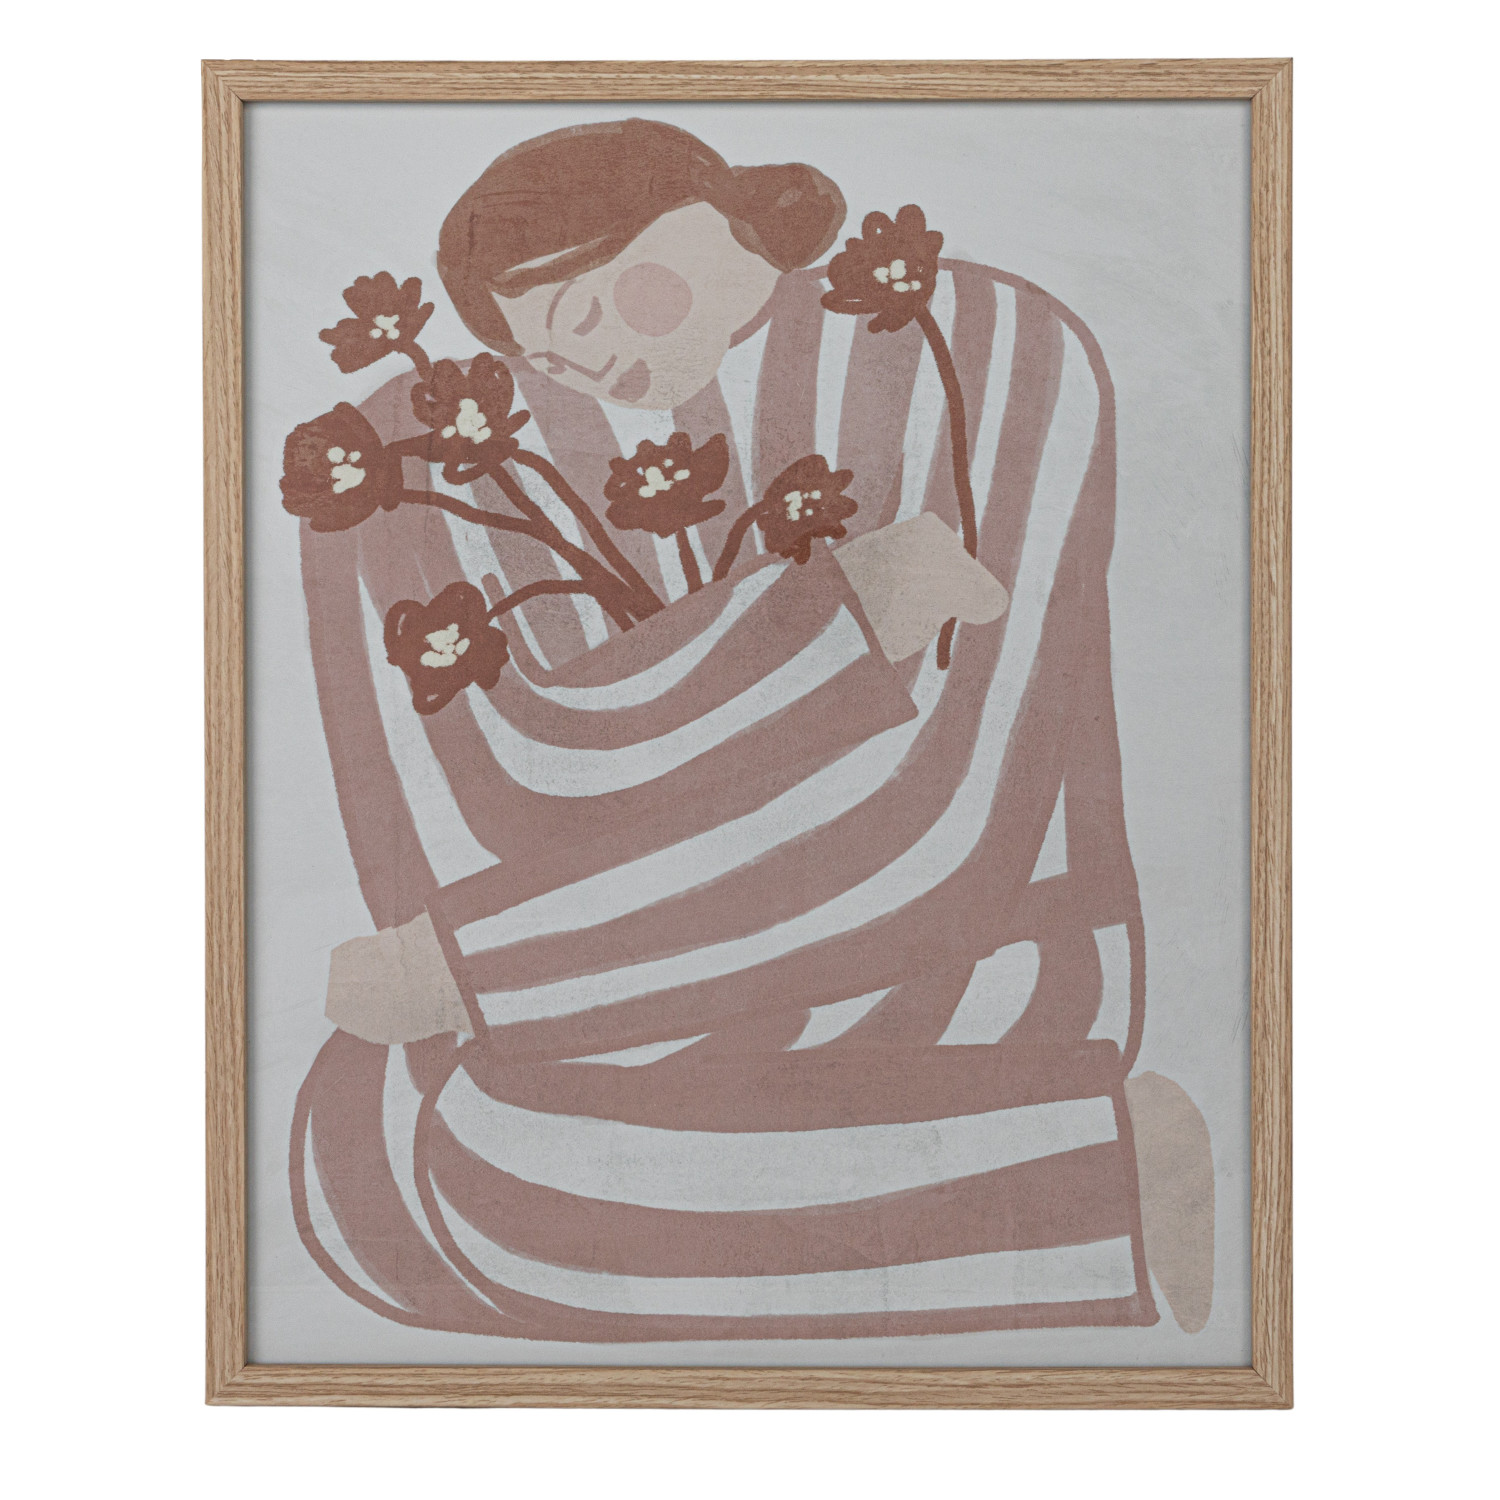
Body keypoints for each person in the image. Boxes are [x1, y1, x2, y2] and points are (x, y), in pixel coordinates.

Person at [290, 118, 1214, 1343]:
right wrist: (839, 617)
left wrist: (470, 971)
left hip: (945, 960)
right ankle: (1088, 1187)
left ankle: (1109, 1186)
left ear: (725, 219)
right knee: (363, 1153)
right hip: (597, 985)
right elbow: (495, 797)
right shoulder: (434, 448)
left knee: (484, 1169)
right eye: (550, 354)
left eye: (607, 304)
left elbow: (947, 816)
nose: (597, 362)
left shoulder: (977, 340)